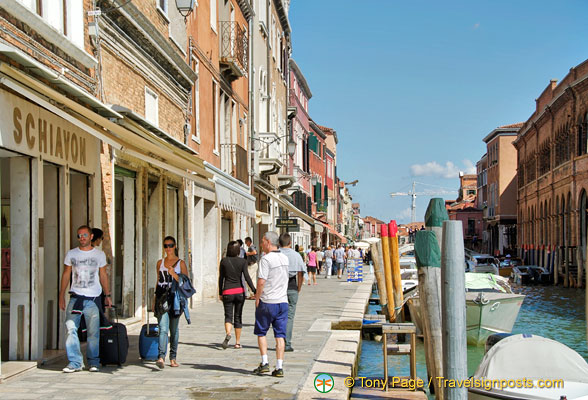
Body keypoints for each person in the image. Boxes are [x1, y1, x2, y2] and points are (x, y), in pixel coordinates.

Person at [59, 225, 112, 373]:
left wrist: (107, 295)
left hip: (93, 298)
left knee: (93, 332)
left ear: (91, 237)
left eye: (84, 235)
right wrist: (61, 295)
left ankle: (93, 362)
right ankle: (75, 362)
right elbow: (66, 274)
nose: (81, 238)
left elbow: (103, 275)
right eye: (79, 236)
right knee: (70, 328)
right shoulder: (71, 254)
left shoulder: (99, 255)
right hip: (75, 297)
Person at [253, 231, 289, 378]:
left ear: (268, 242)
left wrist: (257, 297)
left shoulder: (266, 260)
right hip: (283, 302)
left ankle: (265, 362)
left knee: (261, 332)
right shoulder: (285, 258)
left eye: (262, 241)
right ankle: (279, 366)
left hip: (268, 301)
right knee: (280, 335)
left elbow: (261, 281)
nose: (261, 244)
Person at [154, 236, 188, 369]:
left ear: (175, 246)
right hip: (162, 297)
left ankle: (173, 357)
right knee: (163, 328)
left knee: (173, 330)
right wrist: (154, 300)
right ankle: (161, 357)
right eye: (166, 246)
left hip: (175, 299)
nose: (168, 248)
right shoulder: (160, 263)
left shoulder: (181, 263)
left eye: (170, 245)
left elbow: (185, 283)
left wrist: (174, 274)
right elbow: (157, 282)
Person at [218, 241, 256, 349]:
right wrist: (254, 290)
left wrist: (220, 292)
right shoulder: (242, 262)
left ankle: (228, 333)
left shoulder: (224, 261)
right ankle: (237, 342)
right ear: (238, 251)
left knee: (228, 315)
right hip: (239, 292)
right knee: (238, 317)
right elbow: (247, 277)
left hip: (227, 292)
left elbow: (221, 278)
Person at [278, 233, 305, 352]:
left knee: (279, 316)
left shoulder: (275, 255)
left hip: (278, 288)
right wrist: (298, 288)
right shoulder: (296, 255)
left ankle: (279, 342)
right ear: (290, 243)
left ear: (279, 243)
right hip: (292, 287)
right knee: (289, 317)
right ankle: (287, 344)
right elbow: (300, 273)